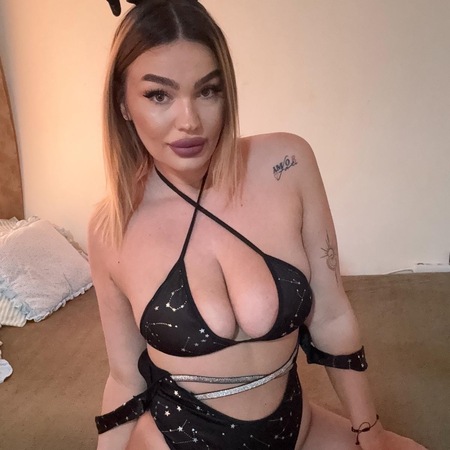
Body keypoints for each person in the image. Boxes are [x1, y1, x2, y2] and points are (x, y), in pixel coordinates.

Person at [89, 1, 427, 448]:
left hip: (296, 426)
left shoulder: (287, 164)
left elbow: (331, 313)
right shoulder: (111, 226)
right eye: (159, 95)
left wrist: (370, 430)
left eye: (208, 91)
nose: (190, 121)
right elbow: (124, 375)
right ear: (123, 103)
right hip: (177, 439)